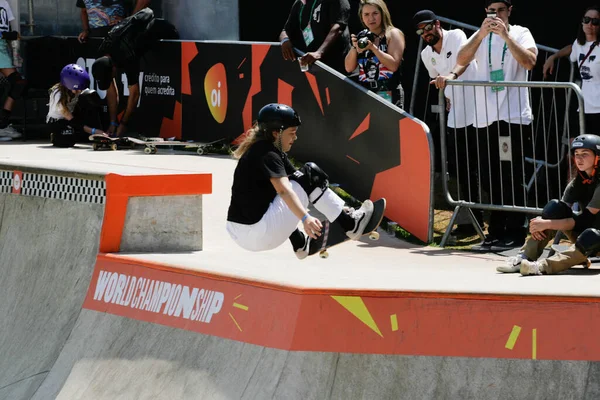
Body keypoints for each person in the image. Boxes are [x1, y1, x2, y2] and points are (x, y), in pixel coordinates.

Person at [226, 103, 374, 259]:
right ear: (276, 133)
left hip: (239, 232)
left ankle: (300, 244)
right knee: (311, 174)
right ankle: (350, 223)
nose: (295, 138)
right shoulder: (268, 154)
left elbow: (296, 182)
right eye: (292, 133)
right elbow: (284, 190)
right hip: (260, 232)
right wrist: (306, 218)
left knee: (299, 181)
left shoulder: (260, 150)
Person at [457, 0, 538, 249]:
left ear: (509, 11)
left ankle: (515, 231)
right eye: (492, 11)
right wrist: (482, 33)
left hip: (512, 116)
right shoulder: (480, 35)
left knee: (511, 175)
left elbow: (529, 62)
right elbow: (461, 59)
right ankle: (496, 230)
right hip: (486, 117)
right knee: (491, 177)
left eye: (501, 10)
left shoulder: (521, 32)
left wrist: (505, 34)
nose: (497, 15)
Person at [414, 9, 483, 237]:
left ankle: (492, 219)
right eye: (420, 31)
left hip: (480, 108)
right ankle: (470, 221)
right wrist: (448, 98)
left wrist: (451, 77)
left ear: (437, 24)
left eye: (428, 27)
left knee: (483, 166)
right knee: (461, 169)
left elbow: (464, 61)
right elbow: (439, 81)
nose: (425, 33)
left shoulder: (457, 36)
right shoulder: (426, 54)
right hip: (457, 115)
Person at [496, 134, 600, 275]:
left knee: (590, 235)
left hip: (594, 237)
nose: (579, 158)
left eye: (585, 154)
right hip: (587, 233)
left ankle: (540, 267)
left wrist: (548, 224)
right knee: (554, 208)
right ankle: (525, 257)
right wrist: (543, 223)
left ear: (597, 157)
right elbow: (560, 212)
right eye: (576, 154)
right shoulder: (579, 181)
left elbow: (584, 221)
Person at [91, 7, 178, 137]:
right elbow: (111, 91)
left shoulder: (127, 55)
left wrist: (123, 124)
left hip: (166, 32)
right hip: (131, 39)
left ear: (113, 69)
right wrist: (113, 123)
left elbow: (135, 93)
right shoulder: (103, 52)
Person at [542, 5, 600, 135]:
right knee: (585, 148)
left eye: (595, 21)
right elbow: (570, 48)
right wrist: (553, 56)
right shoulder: (579, 44)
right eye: (587, 19)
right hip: (584, 107)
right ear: (582, 21)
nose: (590, 24)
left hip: (599, 107)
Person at [344, 0, 405, 107]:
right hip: (365, 93)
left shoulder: (392, 33)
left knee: (387, 124)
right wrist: (354, 47)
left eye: (375, 13)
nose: (371, 18)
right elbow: (348, 68)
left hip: (388, 92)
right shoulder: (363, 36)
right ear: (361, 17)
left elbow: (393, 65)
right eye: (366, 14)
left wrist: (373, 48)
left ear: (382, 13)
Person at [279, 0, 352, 75]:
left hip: (337, 68)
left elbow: (338, 27)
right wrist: (285, 40)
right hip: (313, 67)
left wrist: (319, 52)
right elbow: (285, 30)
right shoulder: (300, 2)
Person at [47, 64, 105, 148]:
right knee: (66, 140)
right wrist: (94, 131)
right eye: (77, 89)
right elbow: (72, 121)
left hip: (72, 116)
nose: (79, 91)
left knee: (89, 96)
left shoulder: (75, 89)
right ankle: (54, 136)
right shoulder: (57, 95)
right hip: (57, 121)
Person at [0, 0, 26, 141]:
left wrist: (15, 54)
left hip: (3, 48)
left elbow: (10, 30)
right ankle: (2, 126)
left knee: (18, 83)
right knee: (16, 82)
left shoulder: (4, 3)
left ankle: (3, 124)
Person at [77, 0, 150, 42]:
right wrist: (86, 30)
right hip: (94, 37)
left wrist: (128, 20)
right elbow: (83, 10)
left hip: (118, 35)